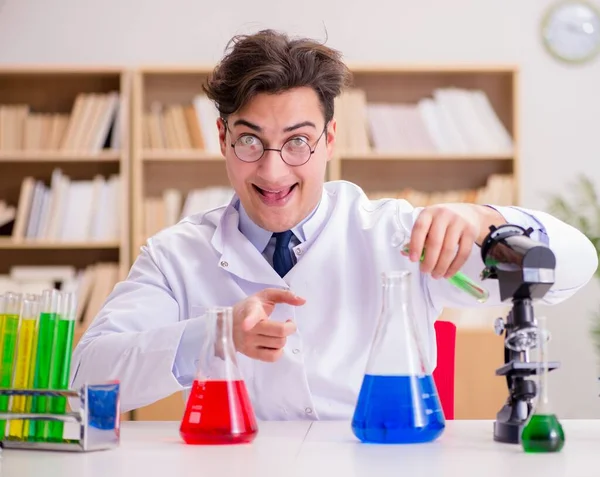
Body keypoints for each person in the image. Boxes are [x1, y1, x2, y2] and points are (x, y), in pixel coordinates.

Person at [70, 29, 598, 420]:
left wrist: (484, 220)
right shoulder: (176, 254)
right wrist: (212, 335)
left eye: (298, 140)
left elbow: (574, 266)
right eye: (250, 140)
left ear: (329, 139)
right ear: (222, 138)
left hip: (383, 461)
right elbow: (84, 377)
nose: (273, 170)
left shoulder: (398, 234)